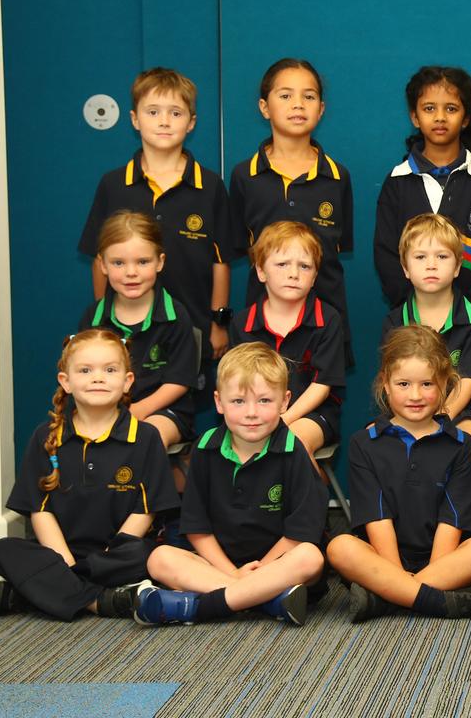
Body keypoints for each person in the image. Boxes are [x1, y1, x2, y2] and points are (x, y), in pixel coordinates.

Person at [0, 330, 177, 620]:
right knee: (1, 550)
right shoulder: (46, 437)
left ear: (127, 381)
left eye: (109, 370)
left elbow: (146, 511)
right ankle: (99, 601)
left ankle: (24, 596)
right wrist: (66, 563)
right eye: (85, 370)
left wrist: (111, 552)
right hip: (59, 554)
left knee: (146, 557)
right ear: (66, 382)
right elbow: (39, 510)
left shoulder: (146, 437)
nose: (97, 378)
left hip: (116, 555)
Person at [136, 343, 328, 626]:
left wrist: (261, 571)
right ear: (218, 402)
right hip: (220, 566)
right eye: (238, 401)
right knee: (159, 558)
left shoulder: (293, 450)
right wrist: (234, 576)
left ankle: (199, 607)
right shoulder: (205, 448)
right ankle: (267, 601)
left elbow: (300, 535)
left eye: (264, 401)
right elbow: (197, 528)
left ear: (285, 401)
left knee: (311, 558)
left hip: (278, 566)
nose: (251, 412)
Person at [326, 326, 471, 622]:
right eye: (404, 384)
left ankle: (385, 597)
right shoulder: (364, 443)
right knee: (340, 548)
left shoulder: (461, 445)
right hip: (382, 558)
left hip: (445, 560)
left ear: (446, 384)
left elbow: (452, 523)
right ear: (385, 383)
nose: (415, 395)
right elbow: (376, 519)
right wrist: (395, 572)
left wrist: (424, 575)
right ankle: (440, 600)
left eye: (427, 384)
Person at [78, 67, 232, 362]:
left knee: (181, 402)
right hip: (124, 330)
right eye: (153, 112)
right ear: (135, 119)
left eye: (176, 113)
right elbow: (99, 259)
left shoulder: (210, 186)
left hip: (193, 326)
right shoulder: (113, 184)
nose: (164, 121)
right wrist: (103, 320)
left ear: (191, 122)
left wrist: (218, 323)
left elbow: (221, 261)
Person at [228, 58, 353, 355]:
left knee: (322, 397)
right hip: (262, 323)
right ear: (264, 107)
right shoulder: (244, 175)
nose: (298, 104)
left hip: (324, 325)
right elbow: (246, 247)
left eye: (308, 96)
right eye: (285, 96)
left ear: (321, 109)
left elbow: (336, 250)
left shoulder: (338, 177)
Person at [373, 65, 471, 318]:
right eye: (429, 108)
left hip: (470, 320)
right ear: (414, 116)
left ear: (466, 119)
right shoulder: (397, 182)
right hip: (411, 322)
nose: (440, 117)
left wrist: (468, 314)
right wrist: (413, 310)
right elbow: (386, 255)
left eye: (451, 109)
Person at [381, 214, 471, 504]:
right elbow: (393, 382)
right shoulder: (395, 321)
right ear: (405, 268)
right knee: (376, 443)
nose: (431, 265)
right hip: (407, 405)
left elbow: (468, 381)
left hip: (462, 408)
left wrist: (440, 419)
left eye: (442, 256)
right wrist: (416, 417)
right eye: (420, 257)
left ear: (458, 267)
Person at [80, 211, 198, 452]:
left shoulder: (176, 316)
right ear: (102, 264)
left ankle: (149, 491)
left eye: (142, 262)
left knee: (146, 438)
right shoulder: (93, 318)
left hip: (163, 411)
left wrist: (138, 412)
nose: (131, 272)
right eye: (118, 263)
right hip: (105, 409)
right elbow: (81, 373)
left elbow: (179, 382)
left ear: (160, 262)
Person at [229, 221, 345, 456]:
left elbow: (322, 386)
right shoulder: (242, 324)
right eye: (282, 264)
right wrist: (261, 419)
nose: (294, 274)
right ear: (261, 272)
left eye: (305, 266)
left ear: (314, 277)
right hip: (254, 414)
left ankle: (314, 492)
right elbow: (236, 385)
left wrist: (282, 421)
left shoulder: (328, 319)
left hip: (311, 414)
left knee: (294, 444)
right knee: (232, 447)